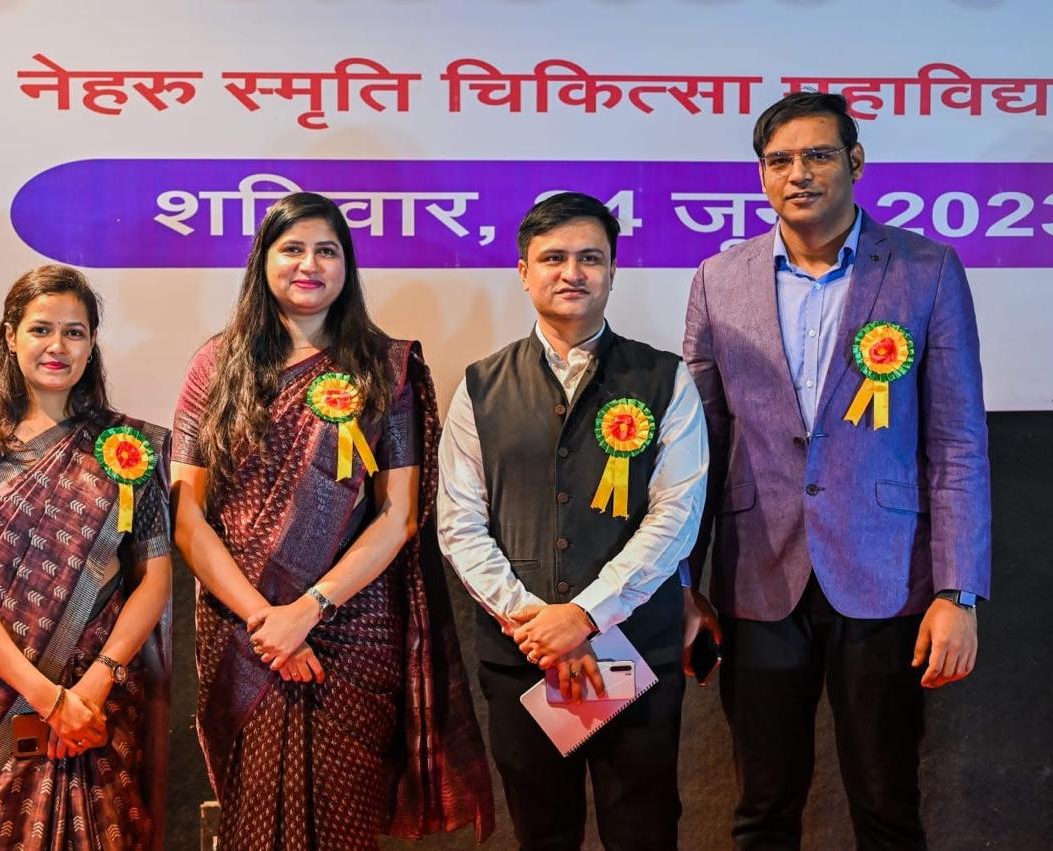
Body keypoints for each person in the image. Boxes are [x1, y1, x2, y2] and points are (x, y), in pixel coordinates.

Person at [683, 91, 991, 849]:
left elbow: (957, 442)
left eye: (818, 155)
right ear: (762, 175)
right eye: (779, 160)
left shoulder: (926, 269)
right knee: (762, 809)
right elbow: (698, 447)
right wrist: (684, 586)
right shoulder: (719, 278)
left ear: (855, 162)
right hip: (757, 577)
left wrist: (957, 591)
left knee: (887, 807)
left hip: (887, 576)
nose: (799, 173)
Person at [170, 191, 493, 850]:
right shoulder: (216, 364)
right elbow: (187, 516)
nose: (309, 264)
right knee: (251, 821)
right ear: (263, 260)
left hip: (352, 627)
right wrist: (267, 621)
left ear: (347, 265)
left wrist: (308, 609)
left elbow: (399, 514)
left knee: (346, 823)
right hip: (245, 631)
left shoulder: (384, 366)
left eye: (327, 250)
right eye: (292, 248)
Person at [437, 191, 709, 850]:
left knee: (643, 832)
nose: (572, 272)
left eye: (590, 257)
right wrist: (536, 623)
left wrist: (585, 616)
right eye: (553, 258)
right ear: (524, 271)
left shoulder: (665, 379)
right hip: (523, 656)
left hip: (632, 649)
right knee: (543, 834)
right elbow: (459, 520)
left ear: (613, 270)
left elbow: (677, 512)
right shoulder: (480, 385)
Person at [0, 264, 173, 850]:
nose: (57, 346)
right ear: (10, 336)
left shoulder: (126, 446)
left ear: (92, 344)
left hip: (101, 702)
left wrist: (92, 688)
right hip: (2, 696)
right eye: (41, 329)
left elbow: (154, 578)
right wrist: (49, 698)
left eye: (74, 332)